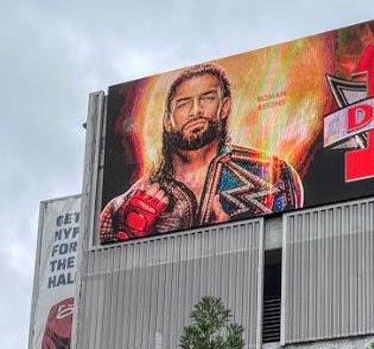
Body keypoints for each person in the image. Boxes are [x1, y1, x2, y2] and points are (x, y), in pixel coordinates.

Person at [100, 63, 303, 242]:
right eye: (183, 103)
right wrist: (130, 237)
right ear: (167, 120)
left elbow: (292, 247)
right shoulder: (129, 202)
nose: (195, 110)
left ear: (224, 107)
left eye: (207, 98)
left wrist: (232, 239)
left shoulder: (272, 174)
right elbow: (102, 270)